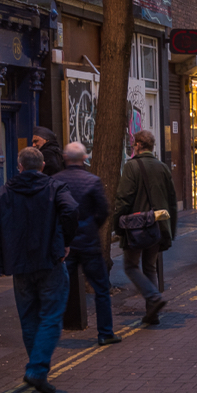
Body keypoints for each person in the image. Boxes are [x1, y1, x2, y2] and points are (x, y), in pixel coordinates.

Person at [0, 147, 78, 393]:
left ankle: (36, 367)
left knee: (29, 317)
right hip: (50, 260)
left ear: (19, 166)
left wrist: (2, 244)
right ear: (42, 166)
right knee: (52, 315)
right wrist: (65, 241)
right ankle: (37, 369)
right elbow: (71, 210)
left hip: (21, 264)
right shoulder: (55, 187)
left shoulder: (5, 192)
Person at [57, 142, 119, 346]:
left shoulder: (56, 181)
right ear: (84, 158)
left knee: (59, 289)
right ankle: (105, 333)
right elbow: (103, 210)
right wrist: (92, 226)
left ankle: (51, 332)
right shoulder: (93, 181)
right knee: (101, 288)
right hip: (89, 242)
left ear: (65, 157)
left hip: (66, 242)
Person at [114, 130, 177, 325]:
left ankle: (153, 297)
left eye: (134, 144)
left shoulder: (131, 167)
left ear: (139, 145)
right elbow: (172, 200)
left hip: (137, 228)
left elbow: (123, 199)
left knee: (131, 266)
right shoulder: (162, 167)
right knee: (150, 267)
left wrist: (118, 224)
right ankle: (152, 314)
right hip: (158, 226)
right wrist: (170, 229)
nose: (133, 147)